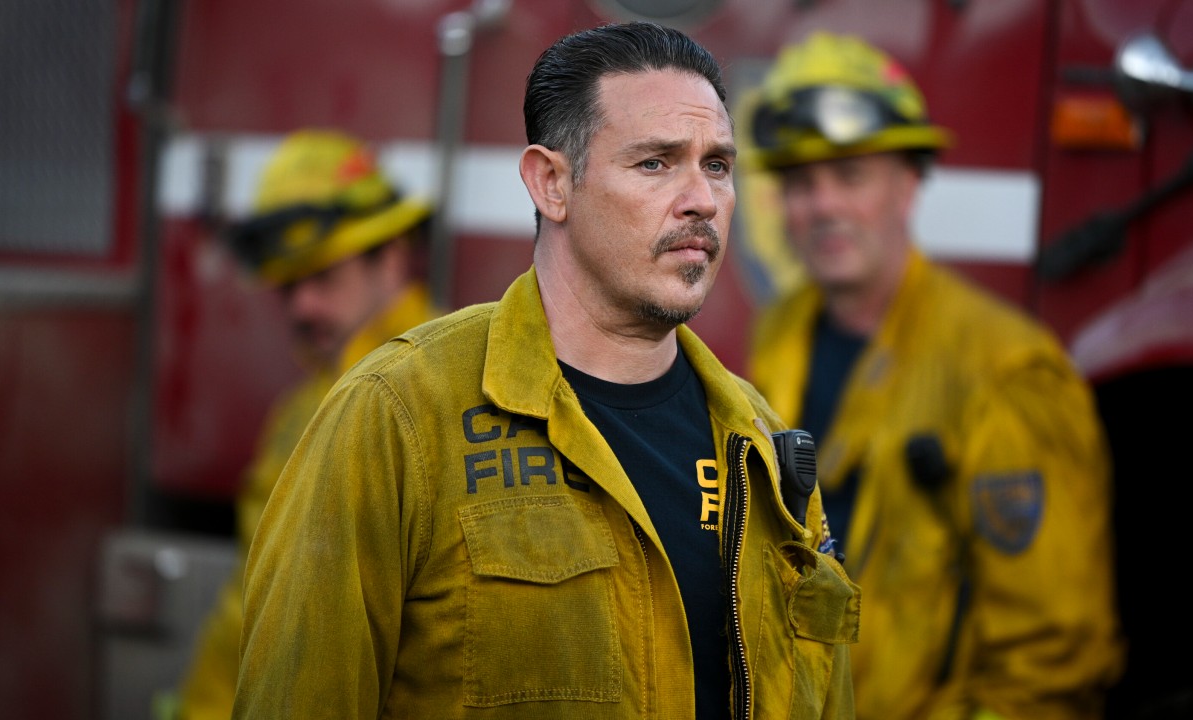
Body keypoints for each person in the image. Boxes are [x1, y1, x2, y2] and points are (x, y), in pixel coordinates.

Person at [232, 21, 858, 720]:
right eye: (656, 163)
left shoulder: (764, 448)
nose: (702, 200)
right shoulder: (397, 416)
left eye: (716, 165)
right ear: (551, 183)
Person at [744, 32, 1125, 720]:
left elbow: (1046, 671)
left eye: (851, 176)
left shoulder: (1005, 373)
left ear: (910, 183)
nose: (823, 205)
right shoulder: (780, 336)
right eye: (800, 183)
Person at [165, 128, 443, 720]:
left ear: (392, 257)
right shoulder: (295, 416)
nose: (301, 308)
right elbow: (251, 615)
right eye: (289, 286)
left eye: (323, 278)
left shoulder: (453, 390)